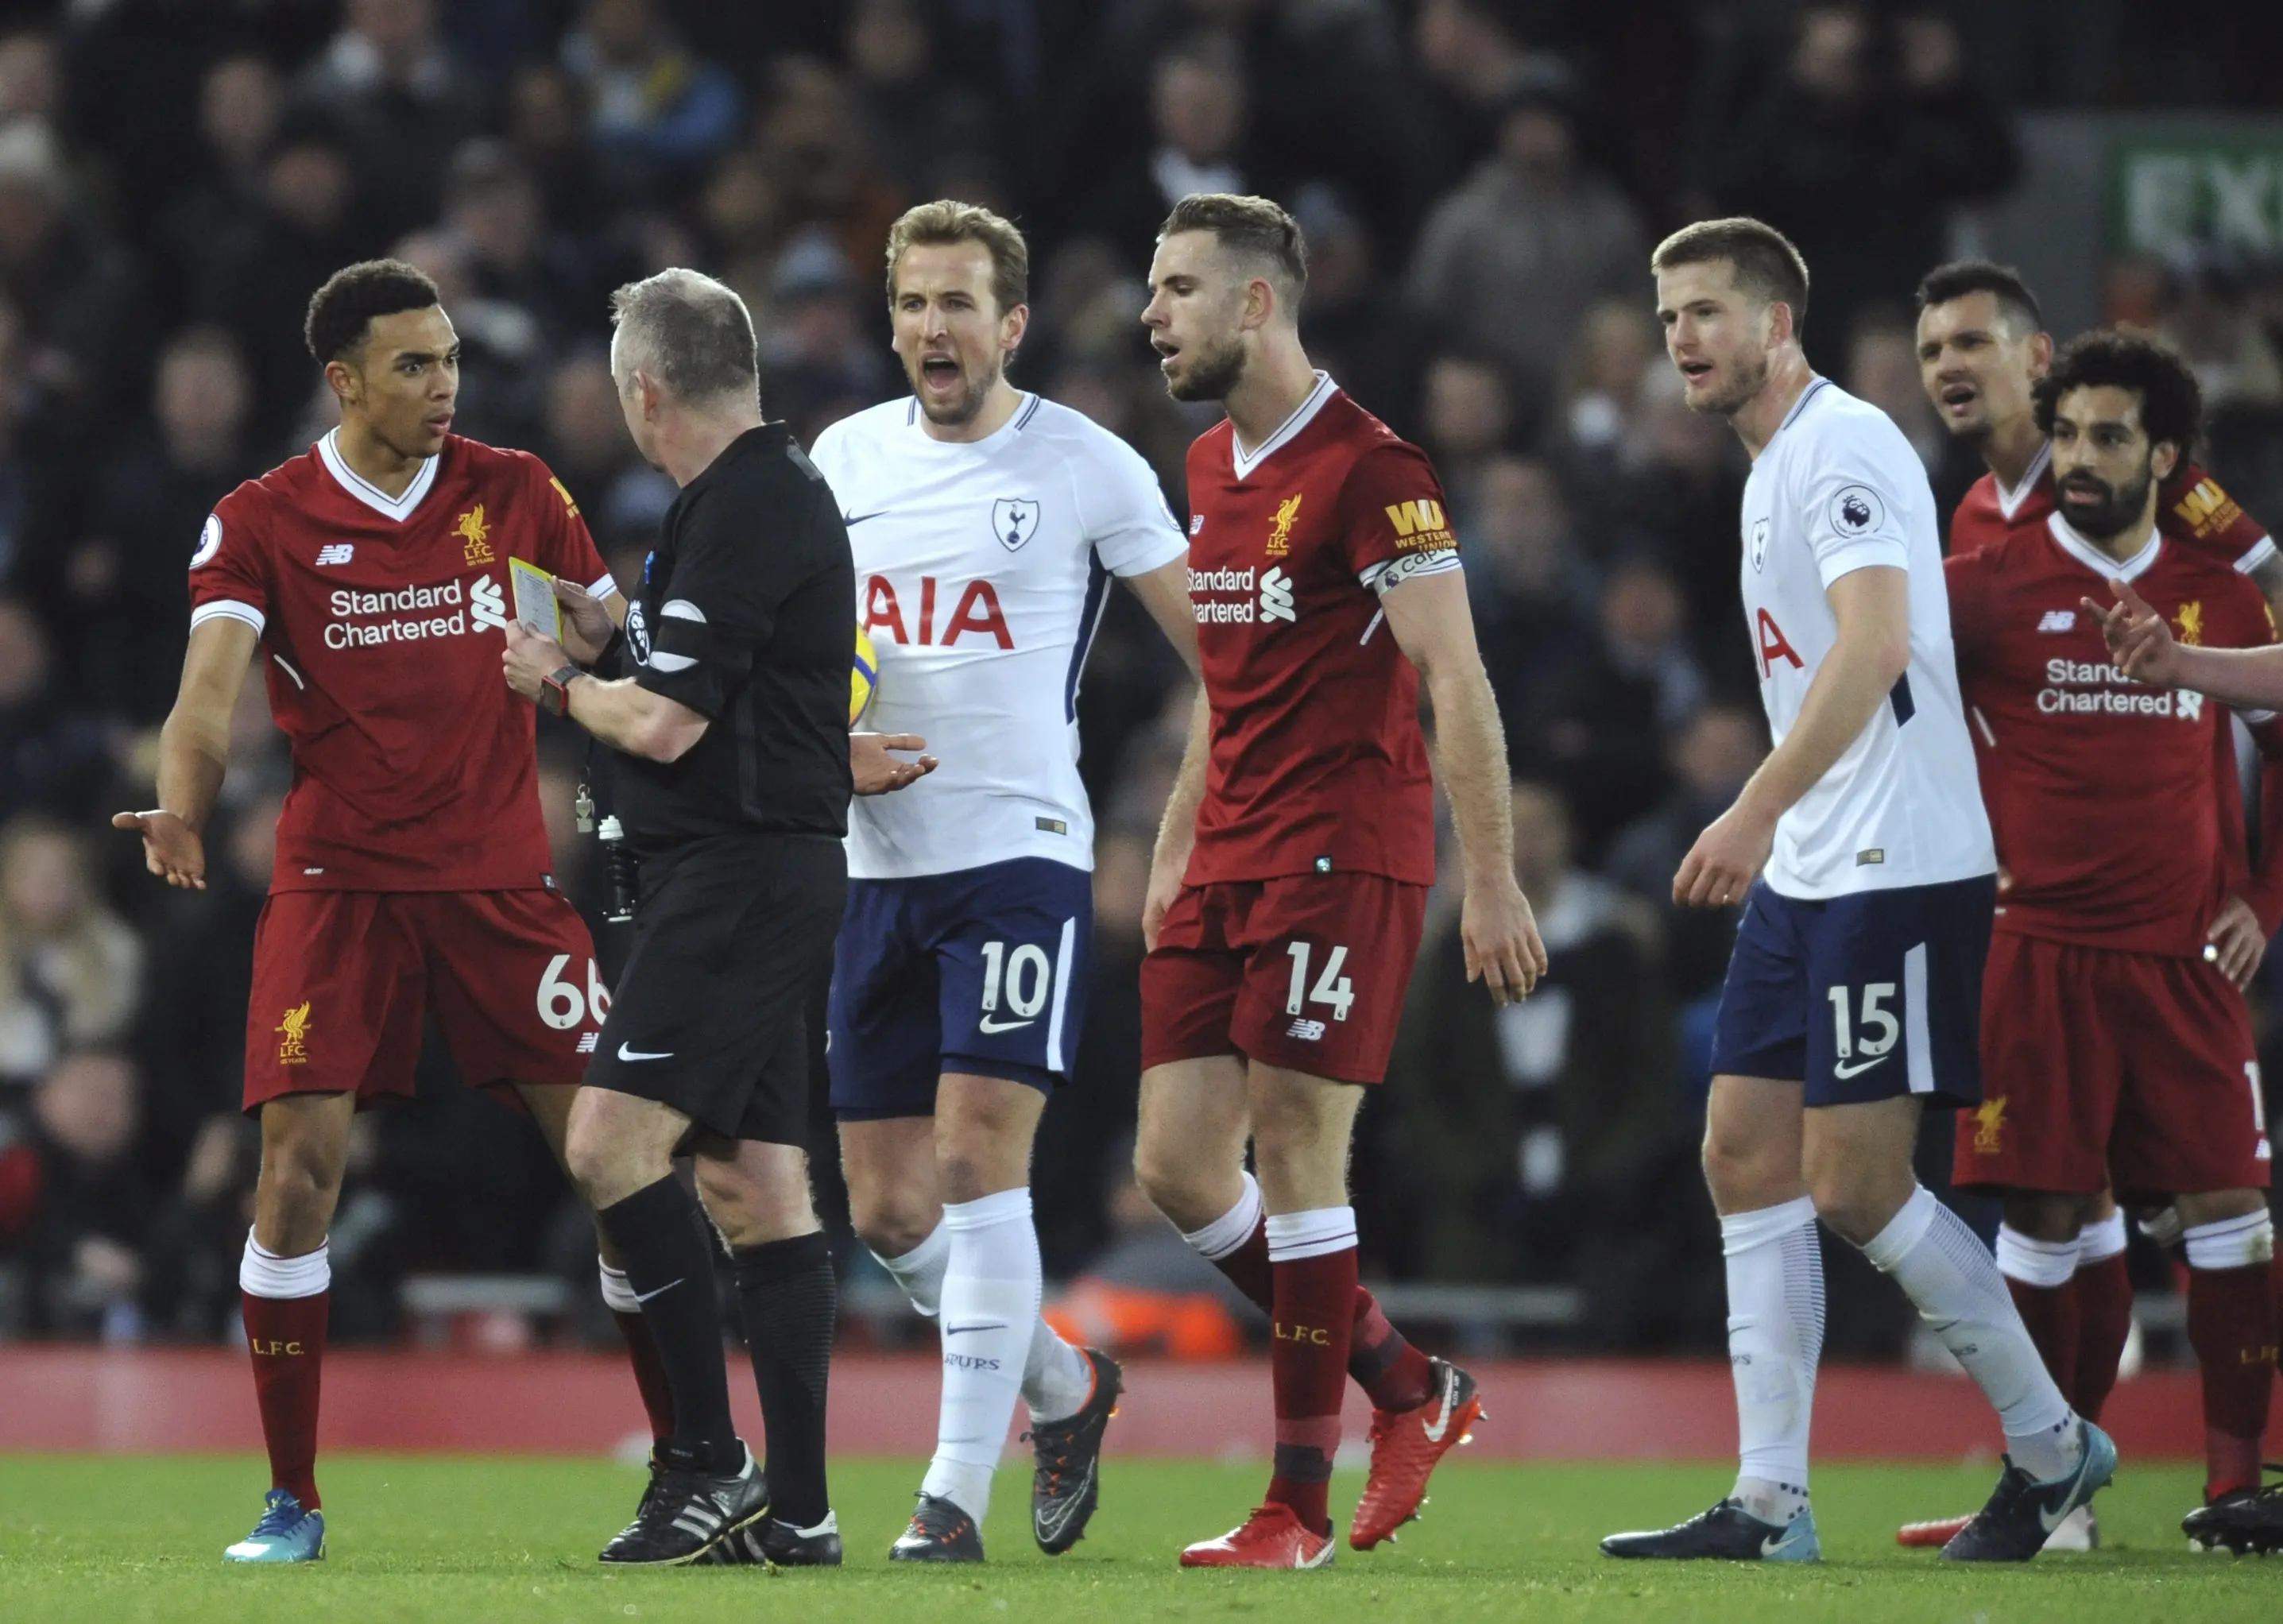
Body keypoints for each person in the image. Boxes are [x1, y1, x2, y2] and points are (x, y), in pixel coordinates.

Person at [113, 260, 687, 1565]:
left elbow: (590, 638)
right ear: (346, 377)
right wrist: (184, 806)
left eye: (451, 361)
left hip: (499, 881)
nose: (443, 385)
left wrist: (605, 633)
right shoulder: (261, 517)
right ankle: (291, 1498)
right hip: (342, 883)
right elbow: (208, 693)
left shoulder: (514, 491)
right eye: (415, 364)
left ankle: (688, 1466)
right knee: (295, 1177)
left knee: (617, 1164)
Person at [1600, 218, 2111, 1564]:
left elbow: (1878, 636)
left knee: (1854, 1181)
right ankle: (1769, 1500)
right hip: (1817, 860)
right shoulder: (1769, 466)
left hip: (1891, 858)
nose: (1682, 341)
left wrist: (1752, 804)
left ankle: (2054, 1444)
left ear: (1776, 322)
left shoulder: (1843, 445)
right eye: (1667, 320)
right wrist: (1784, 825)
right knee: (1740, 1153)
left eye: (1706, 312)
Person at [1135, 191, 1547, 1570]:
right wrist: (1173, 839)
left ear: (1256, 301)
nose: (1153, 315)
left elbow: (1452, 671)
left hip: (1341, 844)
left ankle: (1293, 1506)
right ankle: (1409, 1381)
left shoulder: (1375, 465)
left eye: (1179, 288)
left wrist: (1485, 876)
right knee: (1179, 1167)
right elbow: (1221, 680)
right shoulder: (1204, 464)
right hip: (1231, 848)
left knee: (1298, 1144)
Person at [807, 200, 1198, 1564]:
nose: (932, 326)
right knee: (891, 1211)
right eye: (912, 301)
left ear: (1011, 324)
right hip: (871, 872)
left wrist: (1185, 814)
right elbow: (800, 648)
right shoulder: (842, 456)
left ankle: (950, 1499)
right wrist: (820, 741)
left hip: (1019, 855)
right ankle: (1066, 1383)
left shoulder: (1087, 465)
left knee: (979, 1164)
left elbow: (1226, 653)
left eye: (957, 303)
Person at [500, 267, 856, 1568]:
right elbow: (698, 682)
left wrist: (554, 678)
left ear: (645, 391)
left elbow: (664, 721)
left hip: (737, 880)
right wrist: (612, 634)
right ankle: (805, 1513)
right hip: (748, 871)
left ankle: (705, 1459)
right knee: (754, 1184)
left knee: (606, 1145)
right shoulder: (743, 495)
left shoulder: (749, 503)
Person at [1933, 331, 2281, 1557]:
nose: (2079, 458)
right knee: (2045, 1211)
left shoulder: (2219, 589)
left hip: (2185, 959)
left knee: (2235, 1212)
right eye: (2067, 432)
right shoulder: (1981, 581)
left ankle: (2236, 1491)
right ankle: (2055, 1485)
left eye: (2109, 437)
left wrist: (2266, 900)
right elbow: (1885, 695)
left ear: (2166, 455)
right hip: (2035, 952)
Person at [1915, 261, 2283, 612]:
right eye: (1931, 353)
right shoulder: (1970, 519)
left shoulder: (2134, 471)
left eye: (1972, 343)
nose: (1947, 366)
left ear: (2037, 356)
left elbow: (2271, 582)